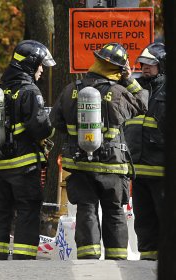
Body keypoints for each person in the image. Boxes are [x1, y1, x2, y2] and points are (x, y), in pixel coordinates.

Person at [50, 42, 149, 260]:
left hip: (79, 163)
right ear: (118, 69)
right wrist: (130, 80)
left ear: (96, 62)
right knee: (114, 212)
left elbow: (55, 121)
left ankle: (88, 258)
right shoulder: (118, 92)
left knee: (86, 209)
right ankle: (117, 260)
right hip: (112, 164)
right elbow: (143, 103)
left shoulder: (71, 90)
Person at [0, 40, 55, 260]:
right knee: (28, 208)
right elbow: (40, 129)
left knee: (1, 209)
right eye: (41, 65)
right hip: (24, 165)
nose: (42, 70)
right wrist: (51, 126)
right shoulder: (29, 91)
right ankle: (24, 259)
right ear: (31, 64)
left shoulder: (1, 89)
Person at [124, 42, 166, 261]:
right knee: (144, 220)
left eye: (151, 64)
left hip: (162, 170)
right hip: (138, 169)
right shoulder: (135, 88)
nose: (145, 68)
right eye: (143, 64)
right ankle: (147, 261)